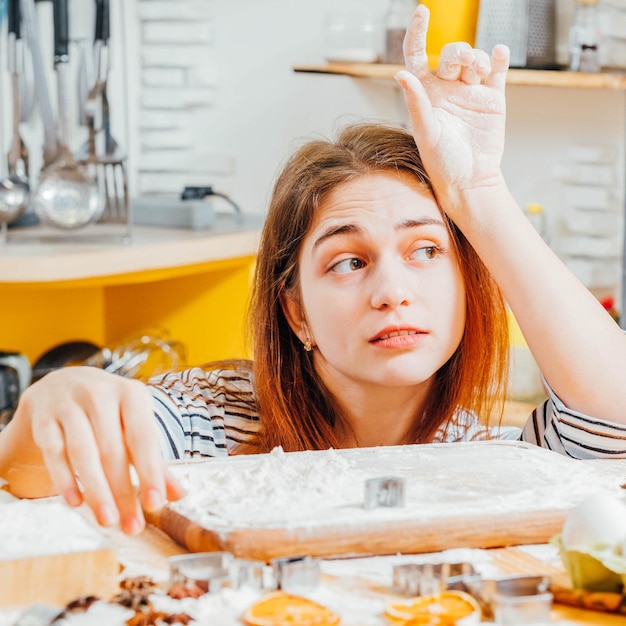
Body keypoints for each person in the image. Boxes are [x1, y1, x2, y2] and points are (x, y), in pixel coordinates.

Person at [2, 6, 626, 537]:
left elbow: (613, 421)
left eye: (426, 252)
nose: (392, 294)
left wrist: (479, 191)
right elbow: (33, 474)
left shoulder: (478, 457)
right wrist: (45, 407)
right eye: (349, 262)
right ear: (296, 309)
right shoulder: (211, 427)